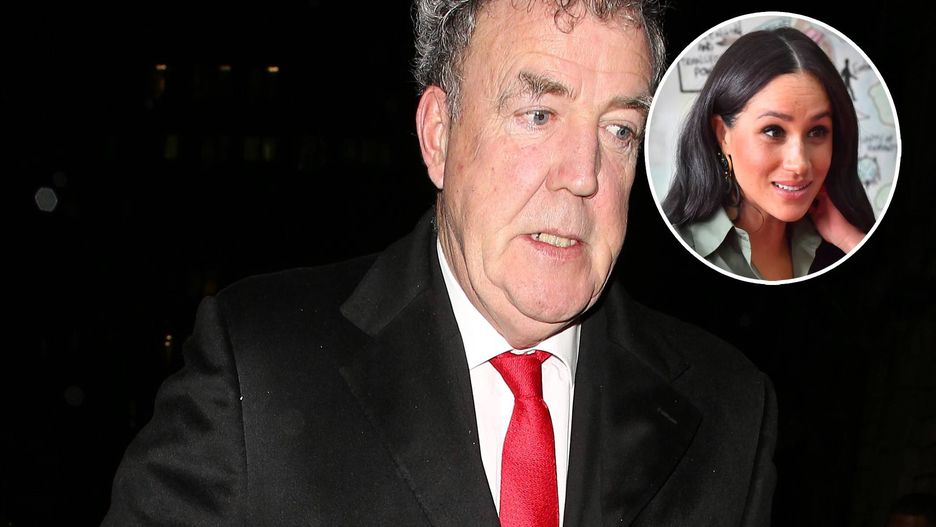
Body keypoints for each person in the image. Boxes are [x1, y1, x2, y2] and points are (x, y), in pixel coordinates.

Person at [102, 1, 777, 525]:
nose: (583, 174)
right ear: (438, 135)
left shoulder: (728, 411)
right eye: (538, 115)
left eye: (619, 129)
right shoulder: (258, 366)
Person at [663, 27, 876, 281]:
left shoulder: (840, 241)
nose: (799, 163)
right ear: (723, 135)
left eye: (817, 131)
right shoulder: (671, 257)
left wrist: (850, 241)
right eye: (773, 131)